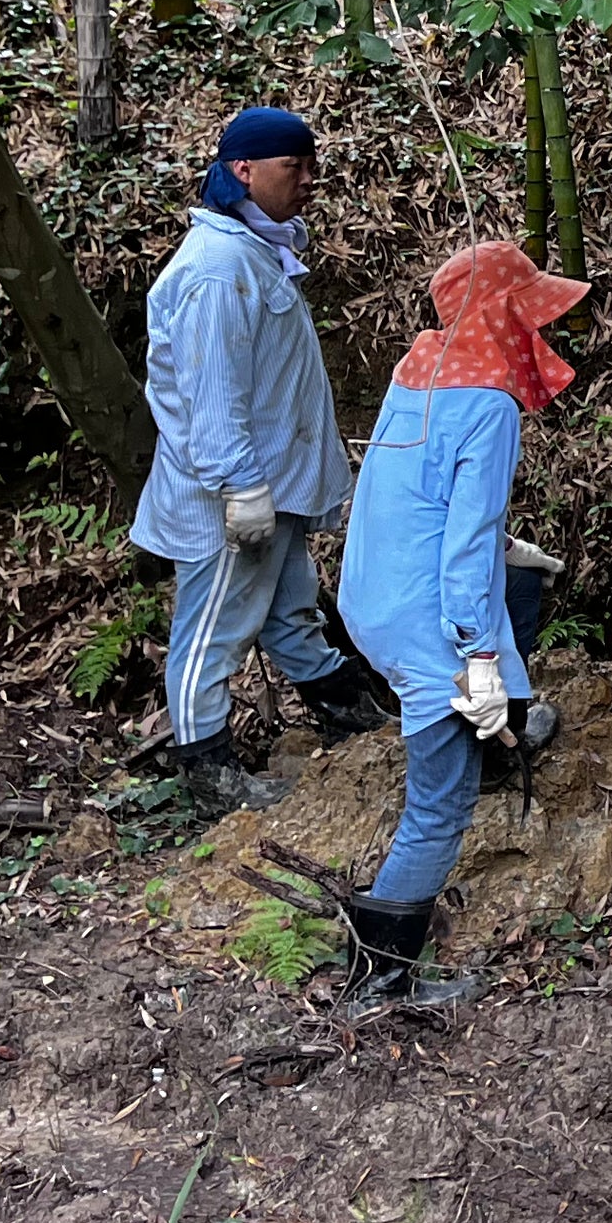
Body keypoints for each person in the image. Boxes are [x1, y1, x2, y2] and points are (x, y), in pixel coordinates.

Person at [328, 240, 589, 1009]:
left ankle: (503, 725)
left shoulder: (419, 374)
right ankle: (378, 979)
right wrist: (474, 655)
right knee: (440, 807)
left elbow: (419, 500)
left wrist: (511, 554)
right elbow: (464, 546)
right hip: (426, 616)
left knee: (509, 607)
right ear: (505, 316)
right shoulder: (491, 404)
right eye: (530, 314)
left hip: (371, 598)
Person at [129, 107, 393, 815]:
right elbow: (211, 393)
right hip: (232, 495)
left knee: (288, 611)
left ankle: (348, 713)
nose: (310, 179)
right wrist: (241, 488)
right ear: (242, 170)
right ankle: (207, 770)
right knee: (214, 628)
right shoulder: (217, 271)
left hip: (270, 485)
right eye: (293, 166)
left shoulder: (254, 250)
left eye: (312, 165)